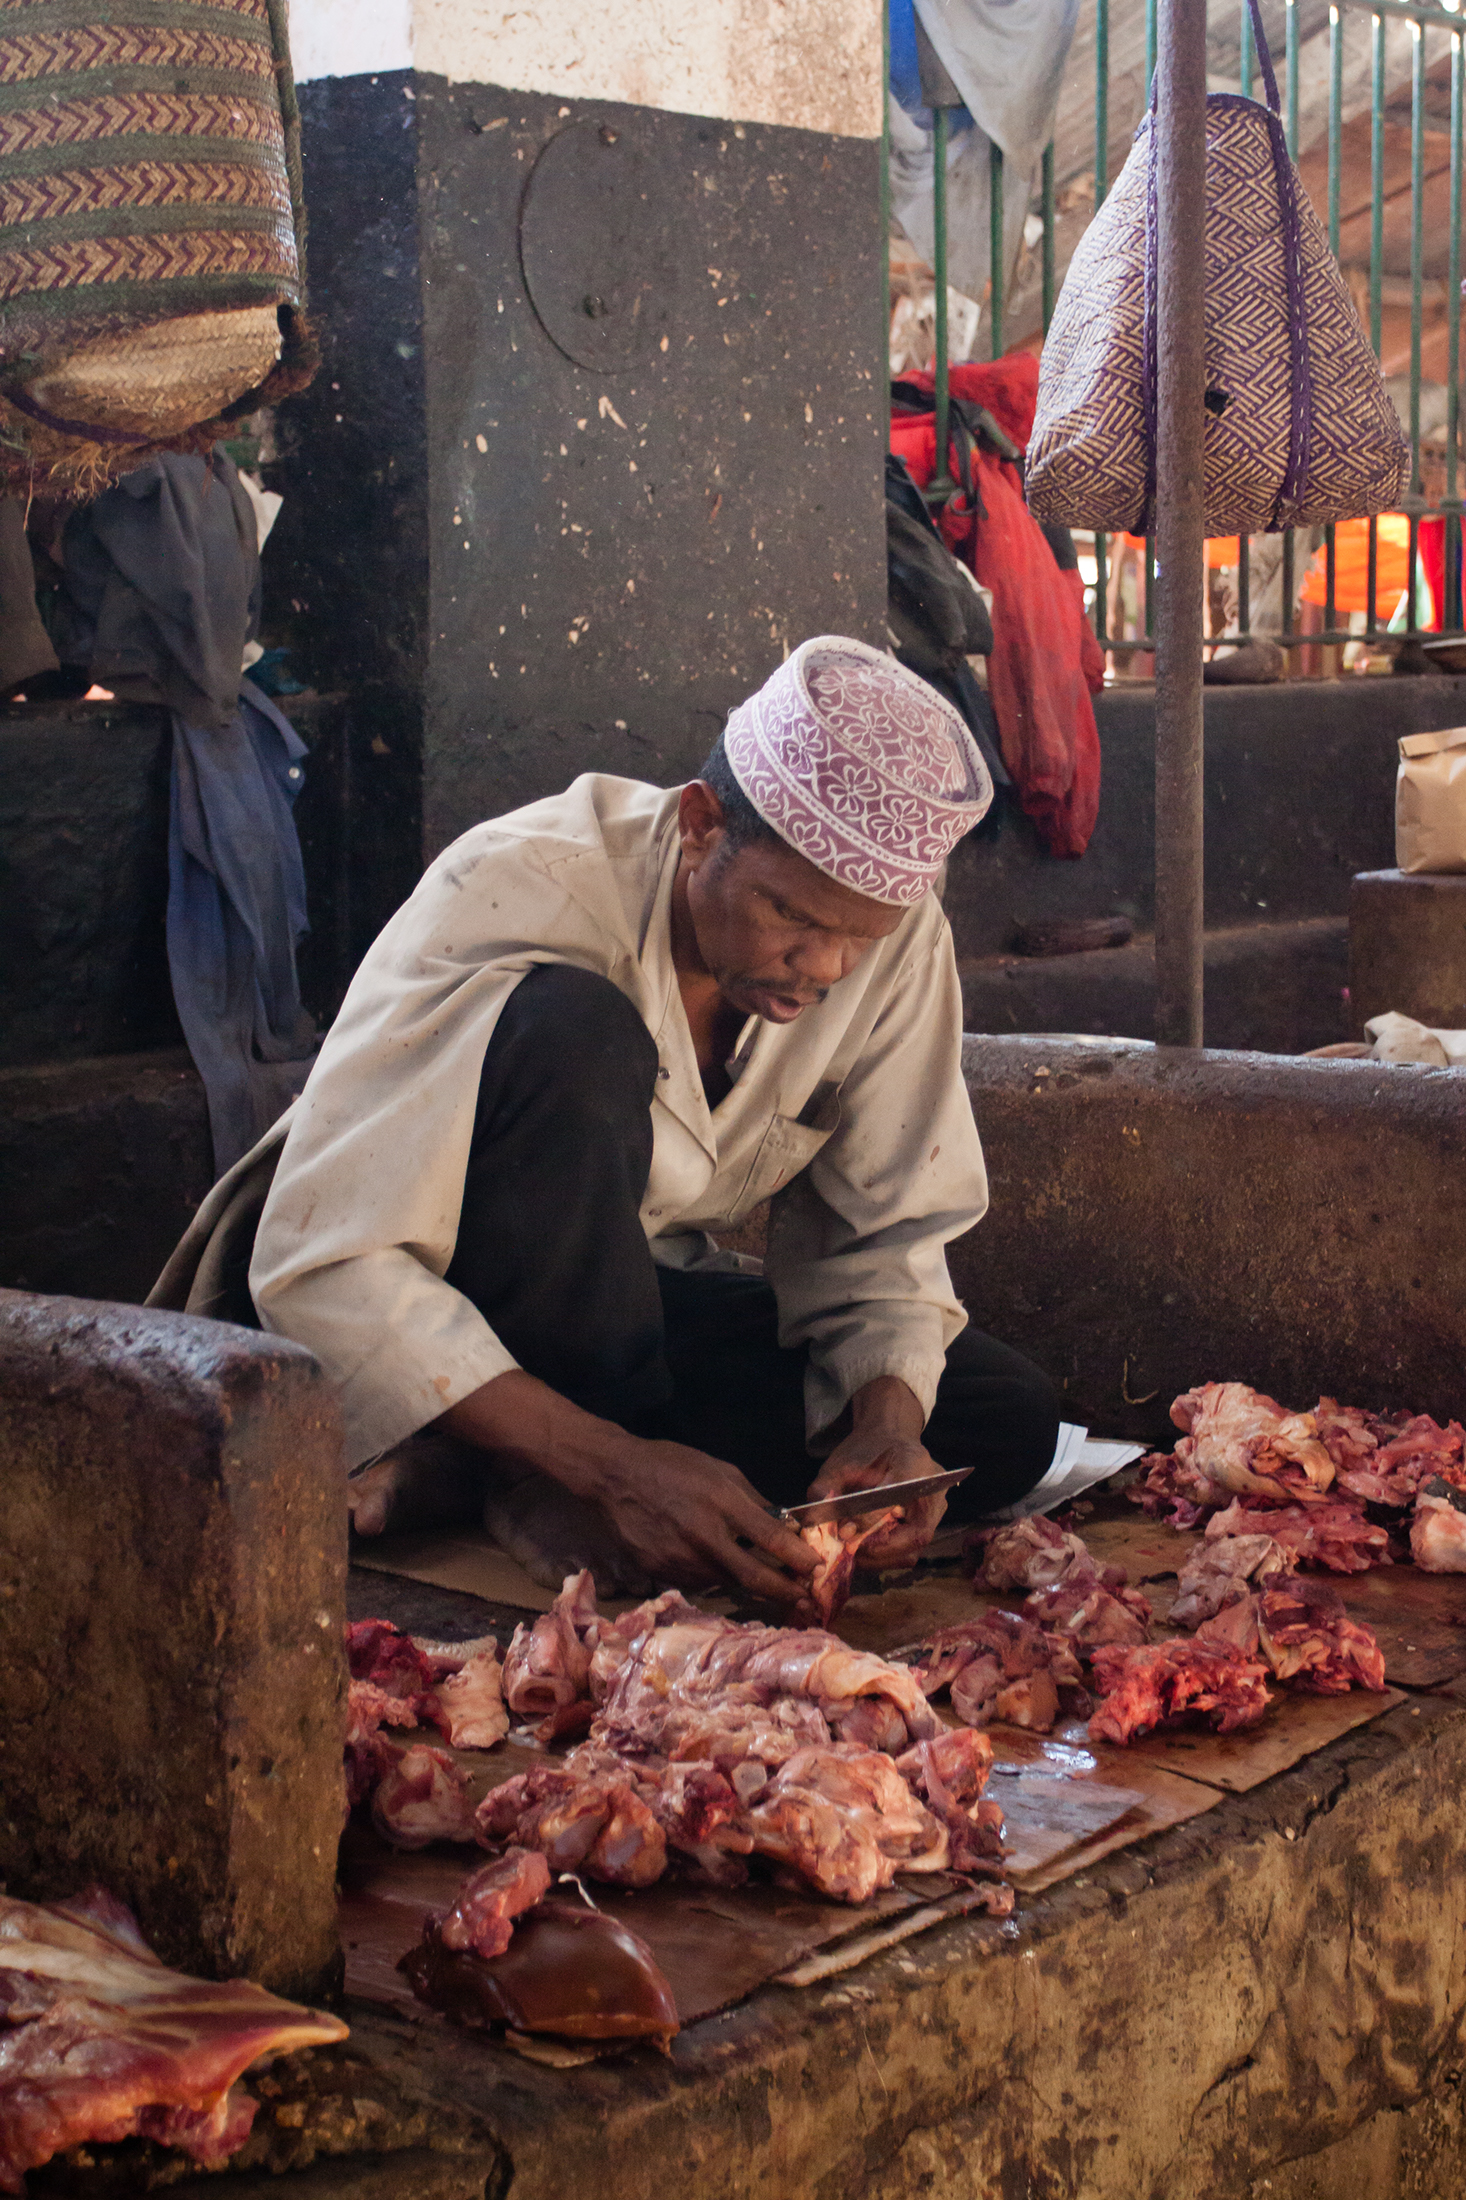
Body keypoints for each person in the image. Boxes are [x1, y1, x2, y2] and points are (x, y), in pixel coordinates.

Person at [160, 636, 1059, 1602]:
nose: (827, 966)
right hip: (410, 1290)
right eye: (791, 916)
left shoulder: (894, 937)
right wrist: (614, 1466)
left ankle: (474, 1460)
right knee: (576, 1026)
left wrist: (883, 1427)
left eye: (860, 936)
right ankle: (538, 1465)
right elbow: (325, 1264)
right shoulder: (522, 885)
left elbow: (885, 1233)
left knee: (998, 1416)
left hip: (609, 1312)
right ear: (702, 824)